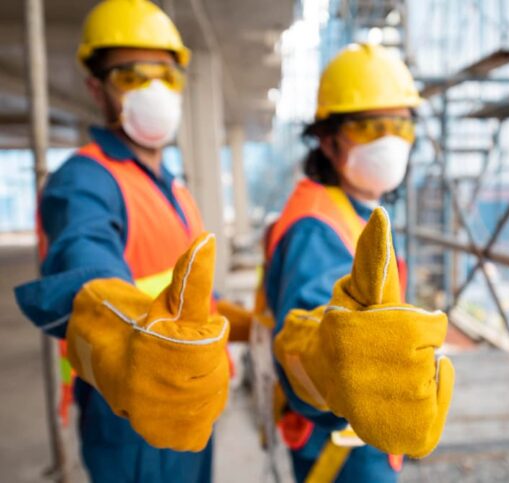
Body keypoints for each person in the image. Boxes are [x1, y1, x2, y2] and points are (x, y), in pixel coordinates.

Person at [14, 1, 248, 481]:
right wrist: (125, 329)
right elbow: (87, 265)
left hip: (190, 393)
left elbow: (189, 294)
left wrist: (246, 326)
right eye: (132, 75)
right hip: (127, 406)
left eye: (166, 74)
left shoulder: (177, 190)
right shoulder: (85, 181)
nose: (154, 90)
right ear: (96, 89)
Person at [265, 43, 456, 482]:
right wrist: (338, 360)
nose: (388, 140)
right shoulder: (317, 225)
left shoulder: (352, 211)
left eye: (400, 126)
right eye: (370, 127)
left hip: (359, 438)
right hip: (343, 451)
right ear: (329, 141)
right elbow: (309, 325)